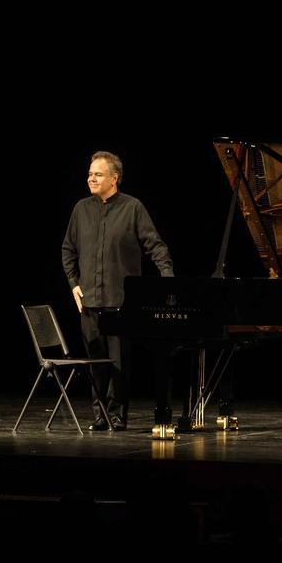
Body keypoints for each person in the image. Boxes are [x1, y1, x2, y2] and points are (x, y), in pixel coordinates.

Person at [62, 151, 173, 431]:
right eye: (89, 174)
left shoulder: (133, 207)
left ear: (115, 178)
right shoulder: (80, 209)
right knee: (95, 362)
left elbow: (155, 246)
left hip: (121, 302)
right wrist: (74, 283)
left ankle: (117, 415)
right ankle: (99, 415)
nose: (91, 178)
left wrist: (167, 280)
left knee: (119, 364)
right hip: (89, 303)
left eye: (97, 174)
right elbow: (68, 250)